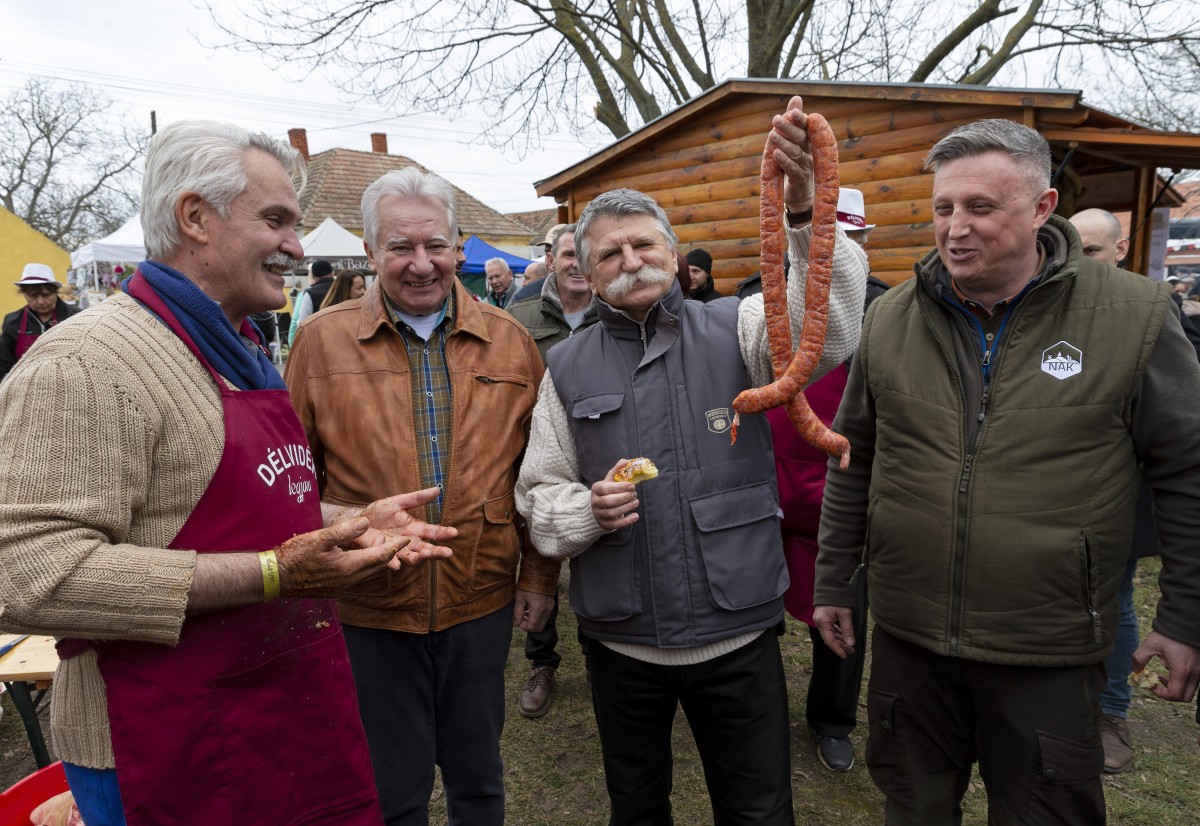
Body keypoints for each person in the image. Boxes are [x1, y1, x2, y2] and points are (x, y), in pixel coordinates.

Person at [0, 120, 456, 826]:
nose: (297, 247)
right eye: (275, 220)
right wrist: (274, 574)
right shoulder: (87, 362)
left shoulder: (233, 350)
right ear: (194, 218)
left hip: (277, 712)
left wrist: (350, 522)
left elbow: (239, 505)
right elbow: (23, 572)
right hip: (160, 751)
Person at [815, 119, 1200, 825]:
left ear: (1042, 208)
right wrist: (836, 578)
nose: (955, 228)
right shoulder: (891, 318)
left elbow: (1189, 472)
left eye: (980, 208)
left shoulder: (1133, 317)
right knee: (914, 806)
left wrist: (1184, 616)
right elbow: (853, 456)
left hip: (1047, 647)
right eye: (943, 208)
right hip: (911, 642)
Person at [517, 96, 869, 825]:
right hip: (622, 641)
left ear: (674, 253)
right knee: (638, 808)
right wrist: (585, 510)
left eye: (644, 244)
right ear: (583, 271)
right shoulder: (566, 365)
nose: (630, 261)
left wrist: (805, 216)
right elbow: (538, 495)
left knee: (759, 809)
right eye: (609, 253)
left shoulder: (736, 327)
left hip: (735, 630)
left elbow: (826, 336)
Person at [285, 166, 560, 826]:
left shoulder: (514, 344)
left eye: (434, 245)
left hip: (481, 599)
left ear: (459, 248)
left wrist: (541, 577)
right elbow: (294, 483)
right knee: (391, 791)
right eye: (399, 248)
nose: (419, 264)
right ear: (371, 252)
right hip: (367, 609)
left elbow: (542, 475)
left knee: (479, 779)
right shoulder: (321, 343)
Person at [738, 187, 886, 774]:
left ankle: (832, 719)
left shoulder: (881, 309)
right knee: (756, 612)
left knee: (843, 612)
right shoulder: (755, 298)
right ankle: (758, 711)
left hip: (840, 487)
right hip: (766, 482)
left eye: (847, 239)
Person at [507, 222, 597, 717]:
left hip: (601, 459)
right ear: (552, 257)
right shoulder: (520, 315)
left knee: (598, 560)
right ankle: (542, 661)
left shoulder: (614, 311)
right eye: (567, 254)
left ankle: (599, 651)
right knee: (541, 558)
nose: (577, 263)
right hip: (536, 456)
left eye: (585, 254)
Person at [0, 263, 81, 381]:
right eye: (32, 296)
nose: (41, 301)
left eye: (46, 295)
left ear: (55, 292)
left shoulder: (76, 317)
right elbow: (4, 365)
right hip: (24, 387)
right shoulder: (13, 323)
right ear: (24, 294)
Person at [513, 223, 566, 303]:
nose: (550, 260)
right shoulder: (524, 296)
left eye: (558, 253)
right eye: (547, 252)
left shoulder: (590, 292)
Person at [287, 259, 334, 344]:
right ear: (332, 273)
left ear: (314, 277)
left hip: (319, 343)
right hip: (346, 340)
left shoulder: (310, 293)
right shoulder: (344, 288)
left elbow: (302, 322)